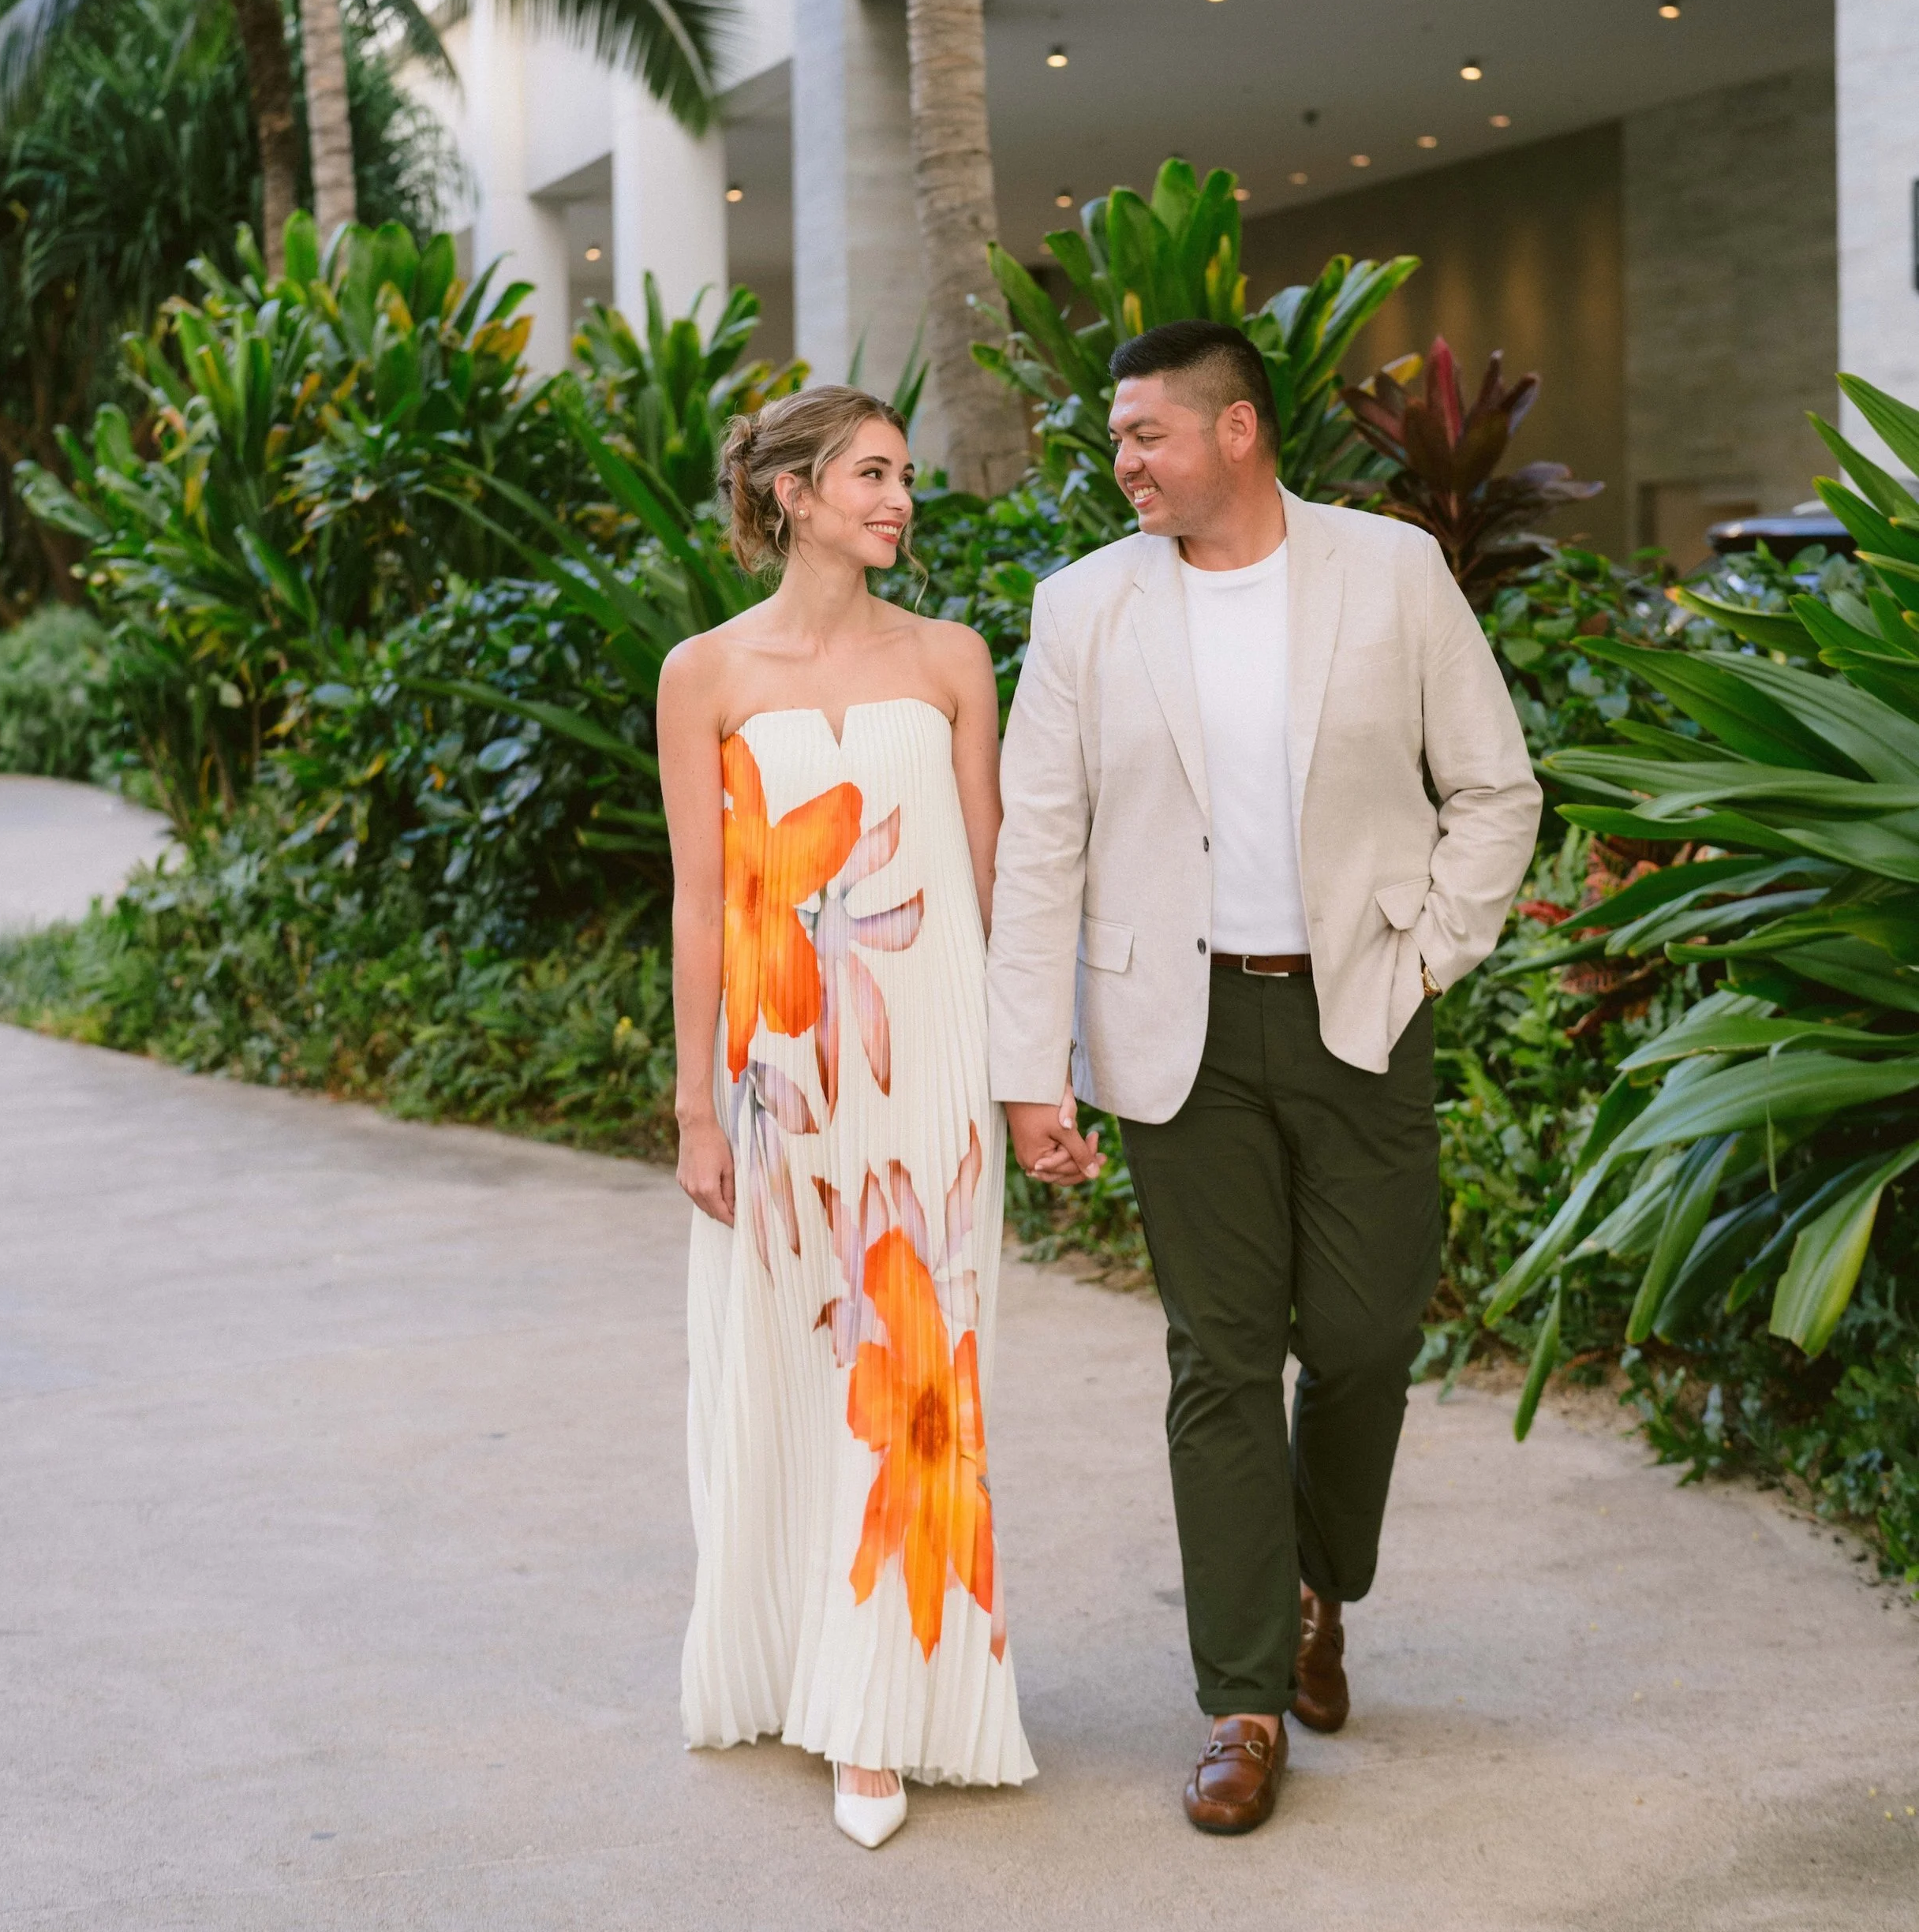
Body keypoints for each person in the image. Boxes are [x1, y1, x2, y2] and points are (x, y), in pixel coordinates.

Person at [986, 319, 1540, 1835]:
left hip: (1362, 1006)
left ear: (1236, 433)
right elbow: (1041, 842)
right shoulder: (1085, 606)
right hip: (1179, 1036)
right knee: (1219, 1356)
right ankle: (1240, 1697)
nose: (1123, 465)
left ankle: (1318, 1582)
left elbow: (1496, 786)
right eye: (1117, 442)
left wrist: (1430, 953)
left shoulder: (1389, 573)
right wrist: (1031, 1069)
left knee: (1362, 1337)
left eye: (1144, 437)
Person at [659, 383, 1038, 1849]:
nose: (900, 498)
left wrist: (1028, 1070)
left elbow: (996, 874)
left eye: (904, 475)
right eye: (871, 474)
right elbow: (699, 899)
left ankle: (883, 1715)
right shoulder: (705, 673)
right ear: (793, 494)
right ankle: (795, 1664)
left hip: (928, 1065)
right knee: (791, 1365)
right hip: (780, 1076)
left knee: (918, 1373)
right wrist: (694, 1104)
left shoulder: (952, 659)